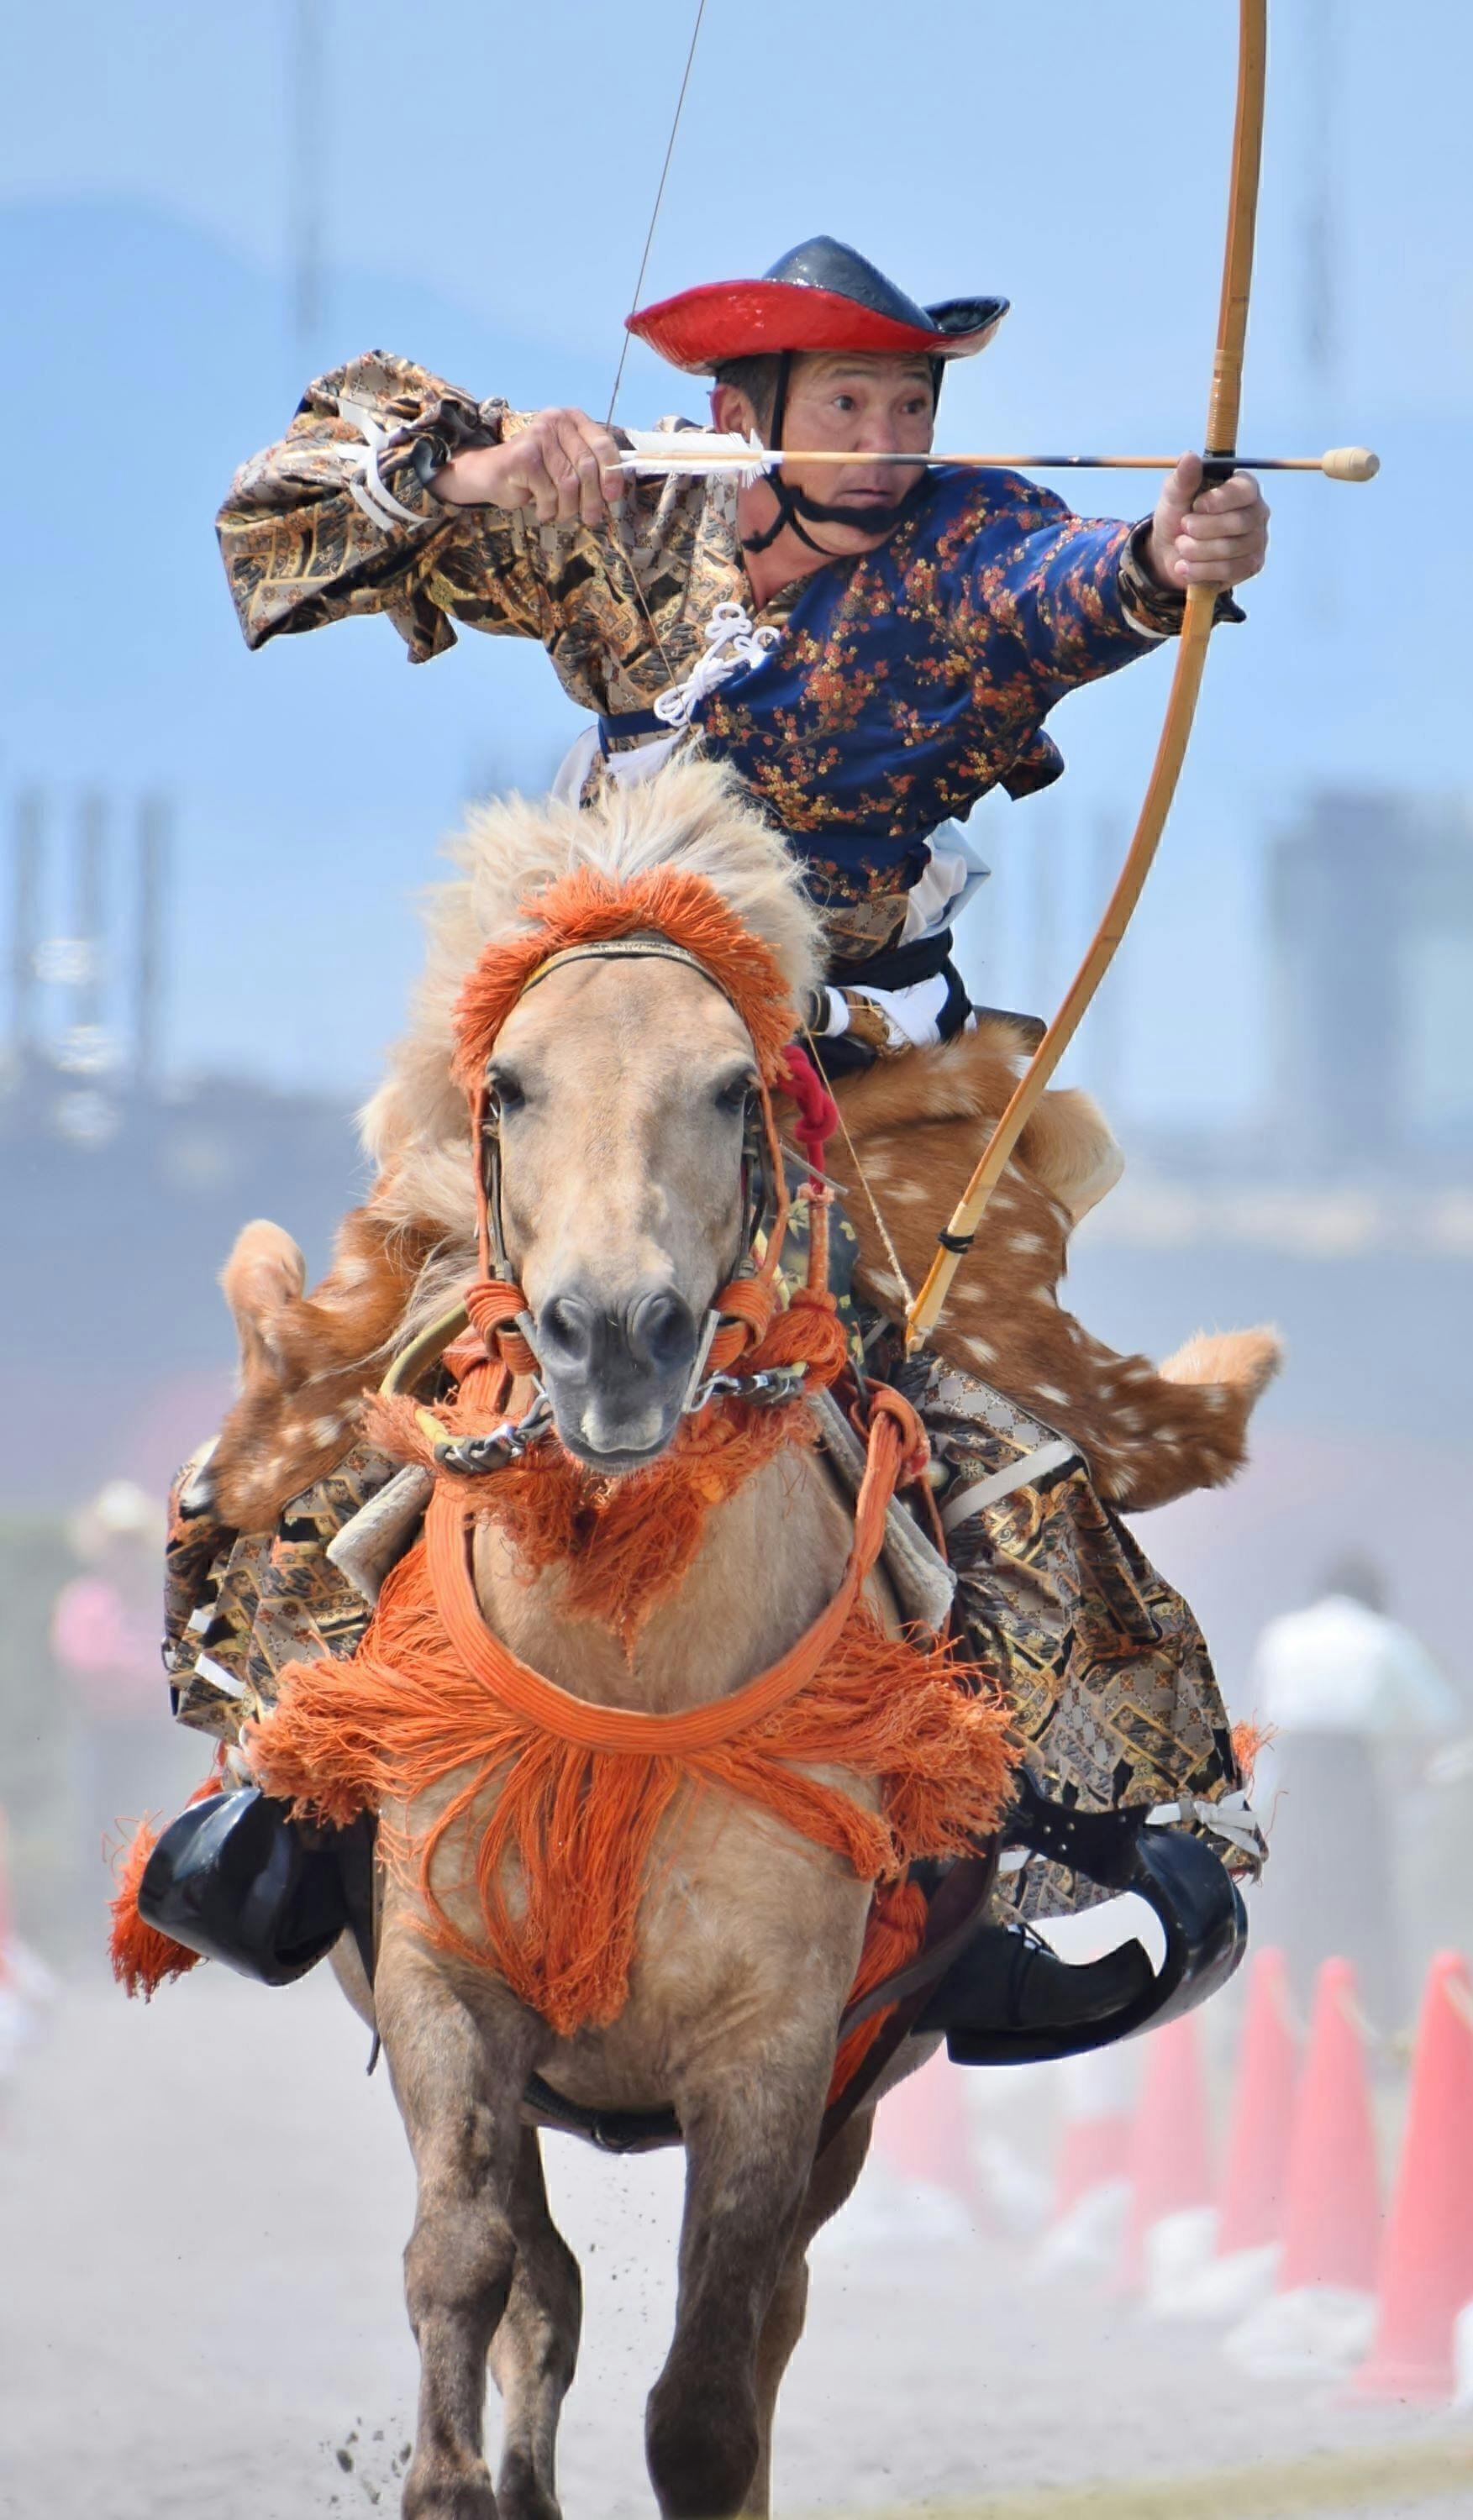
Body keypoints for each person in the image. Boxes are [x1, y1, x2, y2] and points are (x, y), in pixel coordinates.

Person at [198, 239, 1272, 2015]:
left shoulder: (976, 547)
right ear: (738, 414)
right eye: (845, 402)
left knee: (989, 1402)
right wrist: (478, 469)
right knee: (357, 1343)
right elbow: (274, 523)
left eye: (909, 402)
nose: (884, 436)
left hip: (858, 1089)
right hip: (603, 1056)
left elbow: (1097, 589)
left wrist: (1178, 554)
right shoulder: (628, 521)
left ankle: (1071, 1834)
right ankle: (281, 1781)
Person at [1248, 1554, 1460, 2033]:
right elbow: (1438, 1717)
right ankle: (1377, 2024)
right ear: (1374, 1598)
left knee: (1293, 1895)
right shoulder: (1384, 1639)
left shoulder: (1283, 1635)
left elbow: (1261, 1722)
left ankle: (1281, 2020)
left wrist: (1259, 1803)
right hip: (1352, 1776)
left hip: (1295, 1779)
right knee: (1365, 1898)